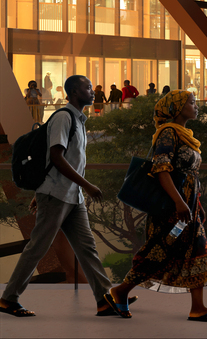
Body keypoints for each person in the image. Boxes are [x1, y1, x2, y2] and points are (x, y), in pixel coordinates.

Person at [0, 75, 120, 318]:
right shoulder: (64, 118)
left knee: (87, 249)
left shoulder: (79, 119)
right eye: (88, 87)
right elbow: (56, 157)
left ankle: (106, 299)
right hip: (57, 196)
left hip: (71, 197)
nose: (93, 91)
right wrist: (87, 185)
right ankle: (8, 299)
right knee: (37, 247)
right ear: (75, 92)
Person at [108, 90, 207, 321]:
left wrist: (196, 203)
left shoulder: (185, 134)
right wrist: (180, 203)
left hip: (187, 204)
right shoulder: (168, 133)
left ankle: (198, 307)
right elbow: (162, 170)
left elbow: (190, 174)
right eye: (191, 102)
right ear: (177, 108)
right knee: (160, 251)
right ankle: (120, 291)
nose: (196, 106)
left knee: (197, 248)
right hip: (172, 207)